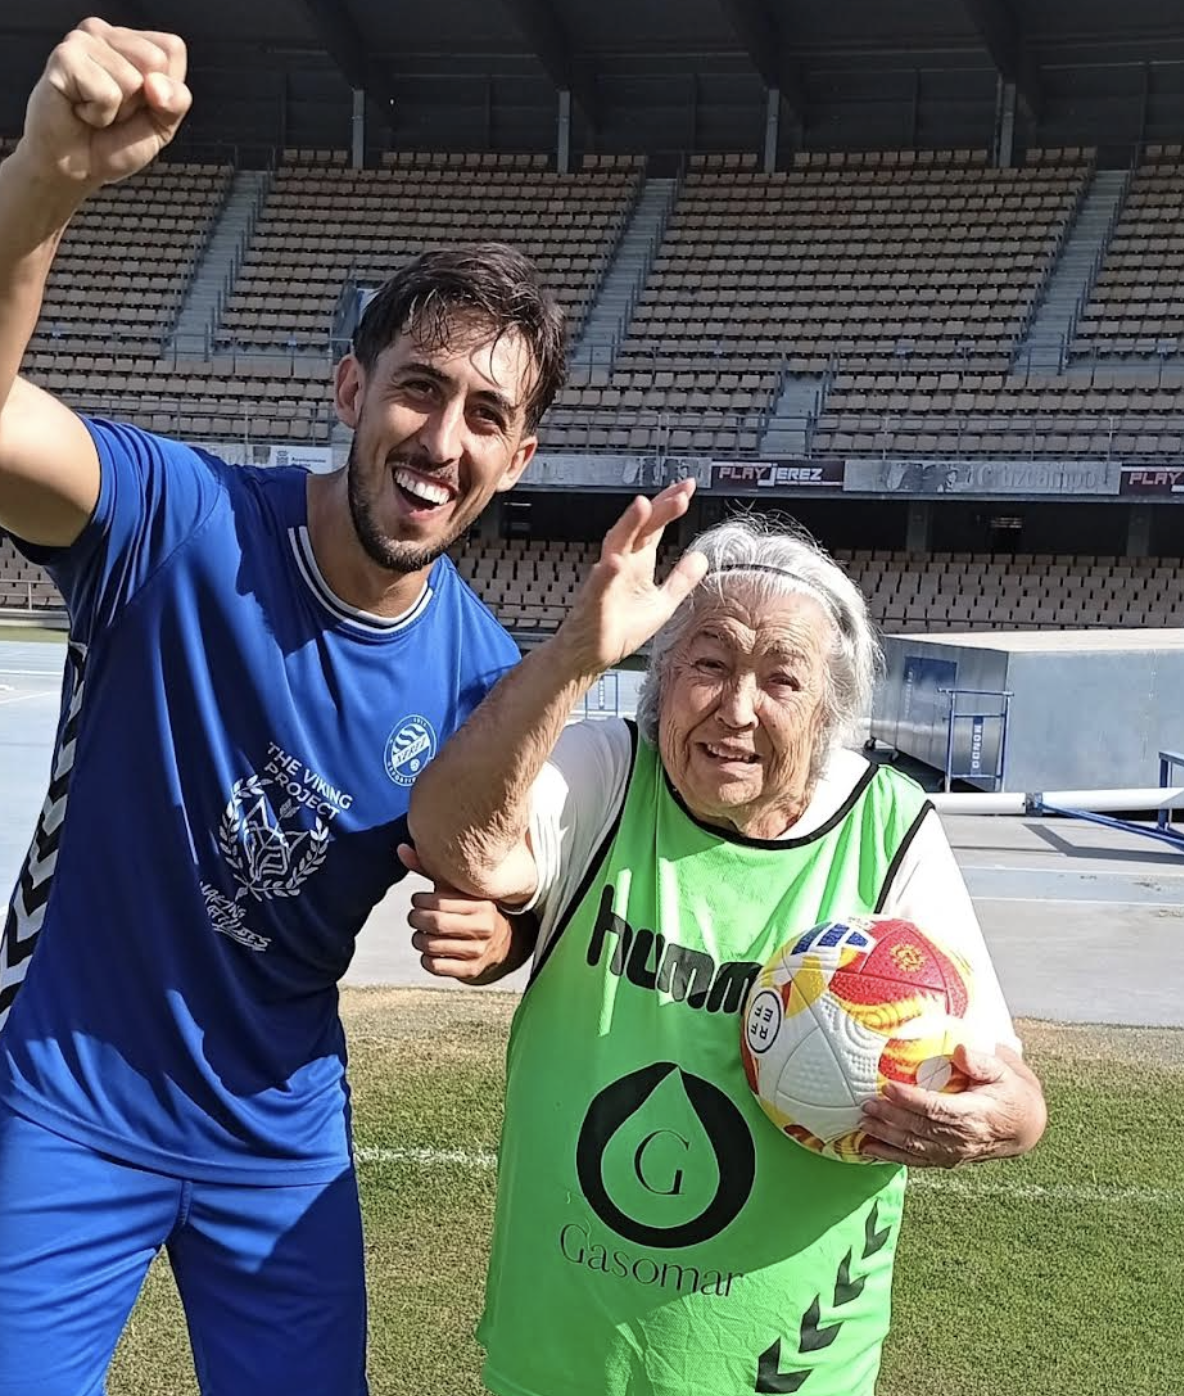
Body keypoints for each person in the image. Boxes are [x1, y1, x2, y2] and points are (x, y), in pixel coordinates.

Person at [0, 18, 554, 1394]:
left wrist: (502, 925)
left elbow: (496, 868)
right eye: (418, 388)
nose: (441, 439)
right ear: (351, 389)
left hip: (277, 1132)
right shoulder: (177, 523)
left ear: (517, 457)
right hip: (68, 1095)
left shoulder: (488, 673)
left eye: (485, 414)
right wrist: (49, 172)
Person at [406, 493, 1048, 1396]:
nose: (737, 709)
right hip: (563, 1357)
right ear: (662, 679)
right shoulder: (608, 772)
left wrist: (1008, 1120)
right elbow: (454, 842)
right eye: (708, 664)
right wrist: (573, 659)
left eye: (782, 680)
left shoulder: (887, 829)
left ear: (829, 714)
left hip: (788, 1371)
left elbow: (1003, 1078)